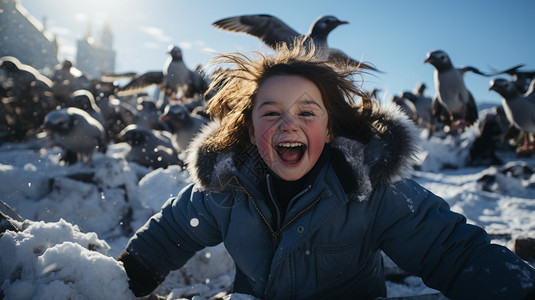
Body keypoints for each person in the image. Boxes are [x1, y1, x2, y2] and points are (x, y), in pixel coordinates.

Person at [117, 41, 535, 300]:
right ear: (248, 129)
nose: (288, 124)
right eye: (271, 113)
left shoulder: (370, 187)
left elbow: (451, 251)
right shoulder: (226, 187)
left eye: (306, 112)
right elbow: (170, 233)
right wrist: (122, 279)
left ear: (331, 128)